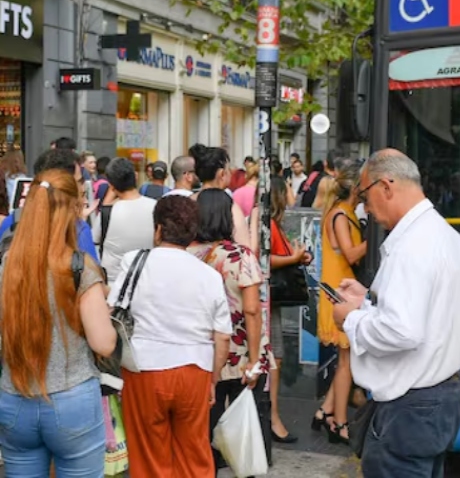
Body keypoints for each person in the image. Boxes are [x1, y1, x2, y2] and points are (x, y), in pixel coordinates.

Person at [333, 150, 460, 477]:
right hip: (439, 395)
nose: (364, 207)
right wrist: (368, 300)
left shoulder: (412, 246)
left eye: (365, 196)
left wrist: (350, 319)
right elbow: (427, 312)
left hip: (411, 403)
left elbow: (401, 331)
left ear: (386, 186)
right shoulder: (445, 236)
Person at [0, 169, 117, 477]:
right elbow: (103, 343)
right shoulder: (80, 267)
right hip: (72, 398)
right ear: (71, 212)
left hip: (14, 397)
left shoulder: (6, 264)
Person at [108, 196, 232, 478]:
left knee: (149, 456)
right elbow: (222, 337)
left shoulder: (134, 262)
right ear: (192, 233)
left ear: (158, 230)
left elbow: (113, 310)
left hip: (144, 370)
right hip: (195, 371)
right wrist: (212, 380)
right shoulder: (209, 276)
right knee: (194, 455)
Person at [188, 189, 271, 474]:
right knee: (244, 424)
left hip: (203, 352)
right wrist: (256, 357)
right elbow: (252, 310)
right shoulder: (240, 256)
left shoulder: (187, 254)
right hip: (240, 352)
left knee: (205, 423)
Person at [250, 177, 310, 444]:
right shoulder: (267, 224)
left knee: (276, 357)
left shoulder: (270, 223)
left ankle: (270, 415)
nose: (291, 193)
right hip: (268, 300)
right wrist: (294, 258)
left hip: (270, 299)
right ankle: (271, 416)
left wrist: (297, 257)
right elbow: (263, 257)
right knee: (275, 357)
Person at [314, 161, 366, 445]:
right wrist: (377, 237)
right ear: (356, 187)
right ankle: (339, 423)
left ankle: (324, 412)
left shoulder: (339, 212)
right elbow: (352, 255)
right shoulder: (341, 215)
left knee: (345, 362)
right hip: (342, 293)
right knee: (347, 363)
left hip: (339, 291)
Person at [0, 149, 99, 262]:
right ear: (65, 185)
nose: (83, 188)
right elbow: (93, 275)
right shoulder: (77, 229)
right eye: (79, 181)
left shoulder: (11, 221)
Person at [92, 157, 156, 283]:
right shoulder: (156, 207)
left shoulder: (107, 213)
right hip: (146, 279)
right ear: (136, 177)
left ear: (111, 185)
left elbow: (94, 239)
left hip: (113, 283)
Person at [189, 144, 250, 247]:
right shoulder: (230, 205)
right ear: (222, 174)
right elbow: (244, 246)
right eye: (228, 169)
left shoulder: (189, 202)